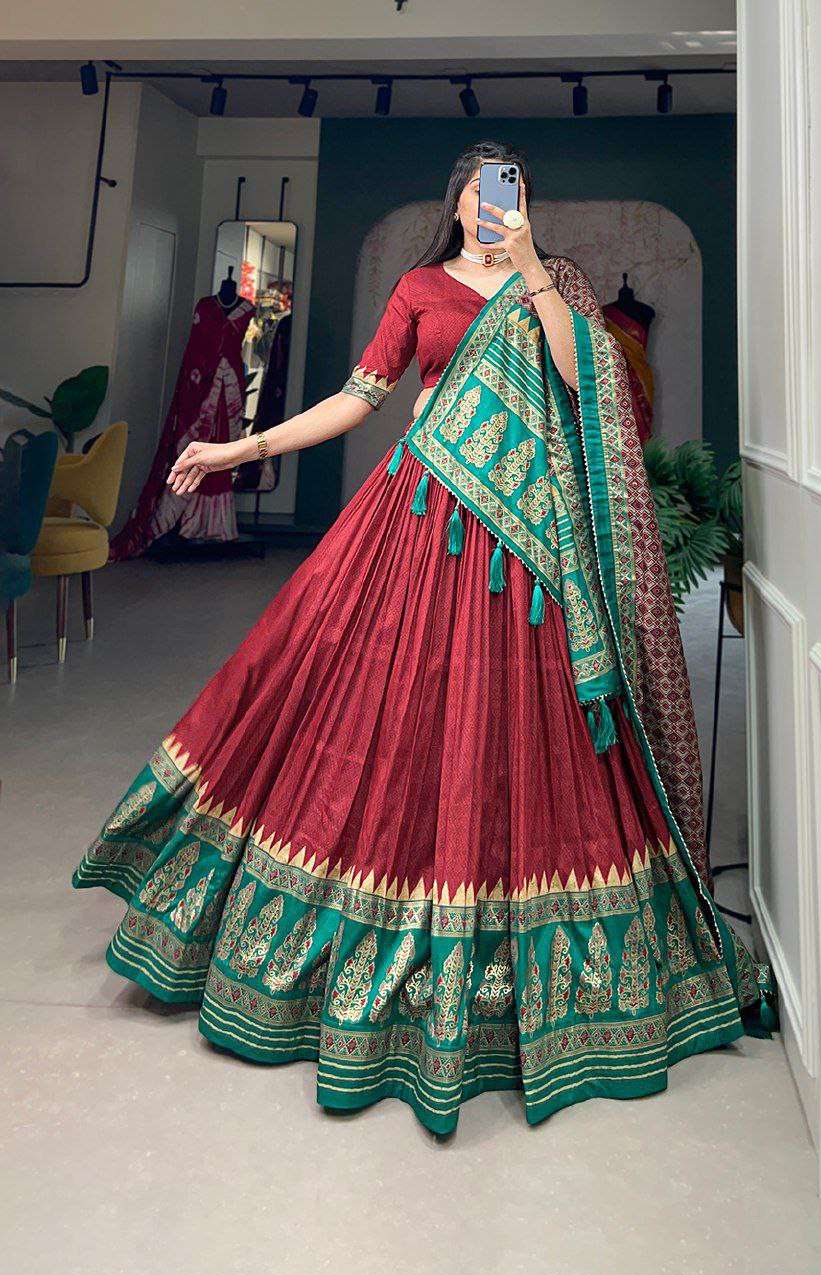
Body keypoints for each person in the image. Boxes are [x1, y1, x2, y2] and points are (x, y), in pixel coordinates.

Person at [74, 140, 774, 1136]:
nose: (497, 206)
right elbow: (358, 399)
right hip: (421, 516)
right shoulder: (417, 288)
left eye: (513, 192)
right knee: (367, 704)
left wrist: (532, 268)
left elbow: (587, 381)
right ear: (456, 203)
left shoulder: (555, 284)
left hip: (528, 541)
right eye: (483, 194)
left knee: (526, 732)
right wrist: (239, 447)